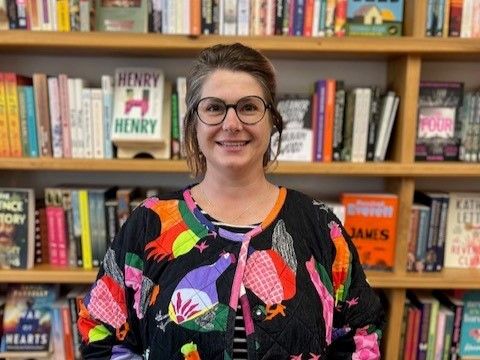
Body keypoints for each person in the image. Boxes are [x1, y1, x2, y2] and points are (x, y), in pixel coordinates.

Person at [78, 43, 385, 359]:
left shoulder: (320, 226)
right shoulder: (150, 223)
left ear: (271, 122)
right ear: (193, 124)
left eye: (249, 107)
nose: (232, 123)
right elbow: (100, 334)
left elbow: (363, 336)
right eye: (214, 108)